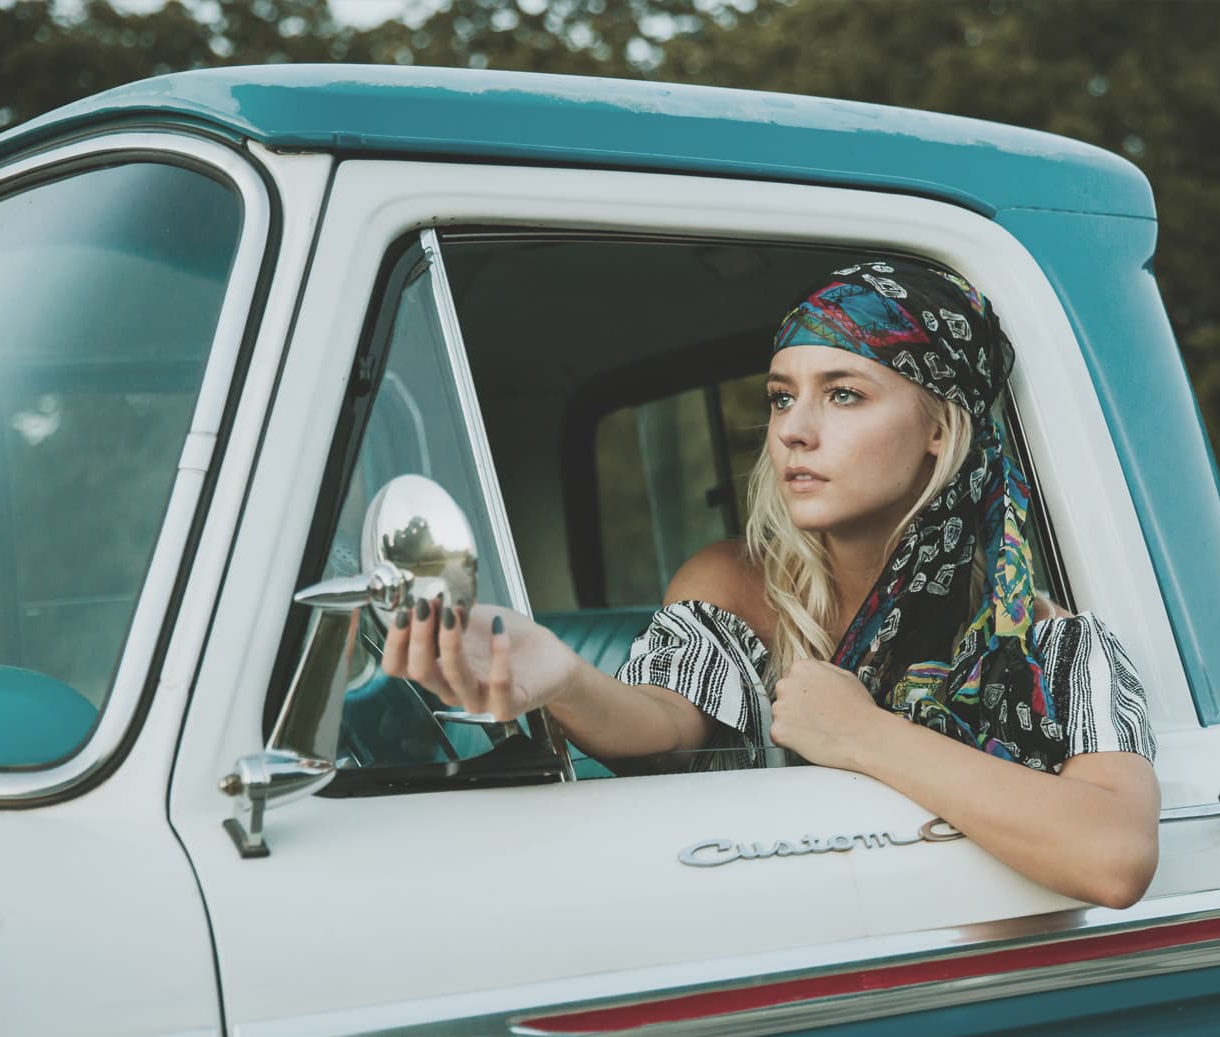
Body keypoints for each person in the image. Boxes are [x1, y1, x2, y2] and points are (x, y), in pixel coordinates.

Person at [382, 260, 1160, 909]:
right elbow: (666, 721)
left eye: (844, 393)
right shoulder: (731, 583)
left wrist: (863, 734)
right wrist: (564, 678)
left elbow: (1114, 858)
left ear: (938, 427)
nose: (792, 430)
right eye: (783, 396)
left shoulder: (1050, 645)